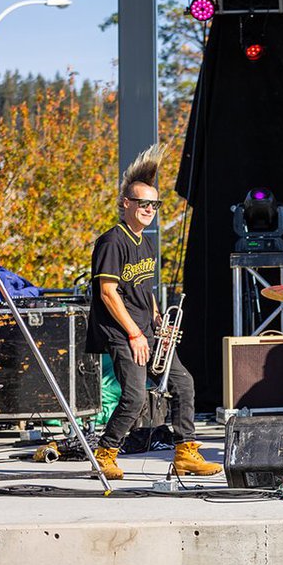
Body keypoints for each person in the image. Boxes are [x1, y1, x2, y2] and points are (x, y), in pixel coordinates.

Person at [87, 145, 222, 480]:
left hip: (146, 330)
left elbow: (143, 288)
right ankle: (105, 454)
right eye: (143, 203)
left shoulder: (146, 242)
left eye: (155, 204)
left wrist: (159, 317)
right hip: (122, 333)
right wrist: (134, 332)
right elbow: (107, 292)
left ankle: (186, 452)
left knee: (184, 384)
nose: (150, 209)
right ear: (125, 204)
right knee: (134, 398)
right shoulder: (111, 242)